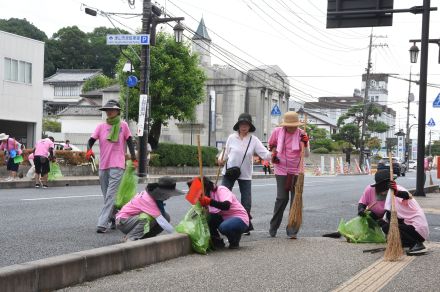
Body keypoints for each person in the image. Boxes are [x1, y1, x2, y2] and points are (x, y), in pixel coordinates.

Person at [87, 99, 137, 234]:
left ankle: (102, 224)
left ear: (118, 111)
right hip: (103, 164)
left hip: (117, 164)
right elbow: (91, 140)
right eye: (107, 110)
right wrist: (89, 150)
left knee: (110, 195)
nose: (109, 112)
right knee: (106, 195)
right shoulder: (101, 127)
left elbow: (130, 142)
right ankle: (114, 217)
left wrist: (134, 158)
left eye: (112, 110)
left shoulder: (123, 125)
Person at [218, 113, 272, 235]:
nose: (244, 127)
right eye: (242, 124)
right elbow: (225, 153)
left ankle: (244, 224)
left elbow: (265, 155)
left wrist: (275, 152)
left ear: (249, 126)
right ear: (238, 125)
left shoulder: (254, 140)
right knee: (222, 197)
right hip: (229, 172)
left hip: (245, 173)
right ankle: (220, 221)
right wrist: (220, 159)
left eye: (246, 124)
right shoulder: (231, 138)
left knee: (246, 201)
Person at [268, 111, 310, 239]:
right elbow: (272, 145)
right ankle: (273, 227)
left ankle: (292, 230)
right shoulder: (277, 132)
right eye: (288, 125)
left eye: (294, 125)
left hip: (297, 170)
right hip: (281, 168)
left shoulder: (302, 134)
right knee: (282, 198)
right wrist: (274, 154)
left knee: (296, 199)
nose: (291, 127)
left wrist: (306, 143)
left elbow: (307, 154)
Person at [116, 176, 182, 241]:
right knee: (148, 217)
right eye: (168, 194)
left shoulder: (152, 195)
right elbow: (162, 221)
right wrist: (176, 235)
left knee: (166, 216)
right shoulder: (148, 200)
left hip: (130, 220)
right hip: (123, 222)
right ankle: (130, 238)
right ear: (161, 193)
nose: (169, 197)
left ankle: (145, 238)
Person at [382, 172, 429, 255]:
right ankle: (405, 243)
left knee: (390, 226)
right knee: (386, 226)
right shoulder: (388, 195)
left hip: (418, 230)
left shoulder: (397, 189)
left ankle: (416, 244)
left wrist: (396, 192)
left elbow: (407, 196)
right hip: (411, 228)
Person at [196, 177, 249, 249]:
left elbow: (226, 206)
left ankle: (234, 240)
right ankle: (217, 242)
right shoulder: (207, 195)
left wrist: (210, 202)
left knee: (224, 227)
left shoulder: (221, 190)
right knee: (209, 219)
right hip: (225, 218)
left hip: (239, 218)